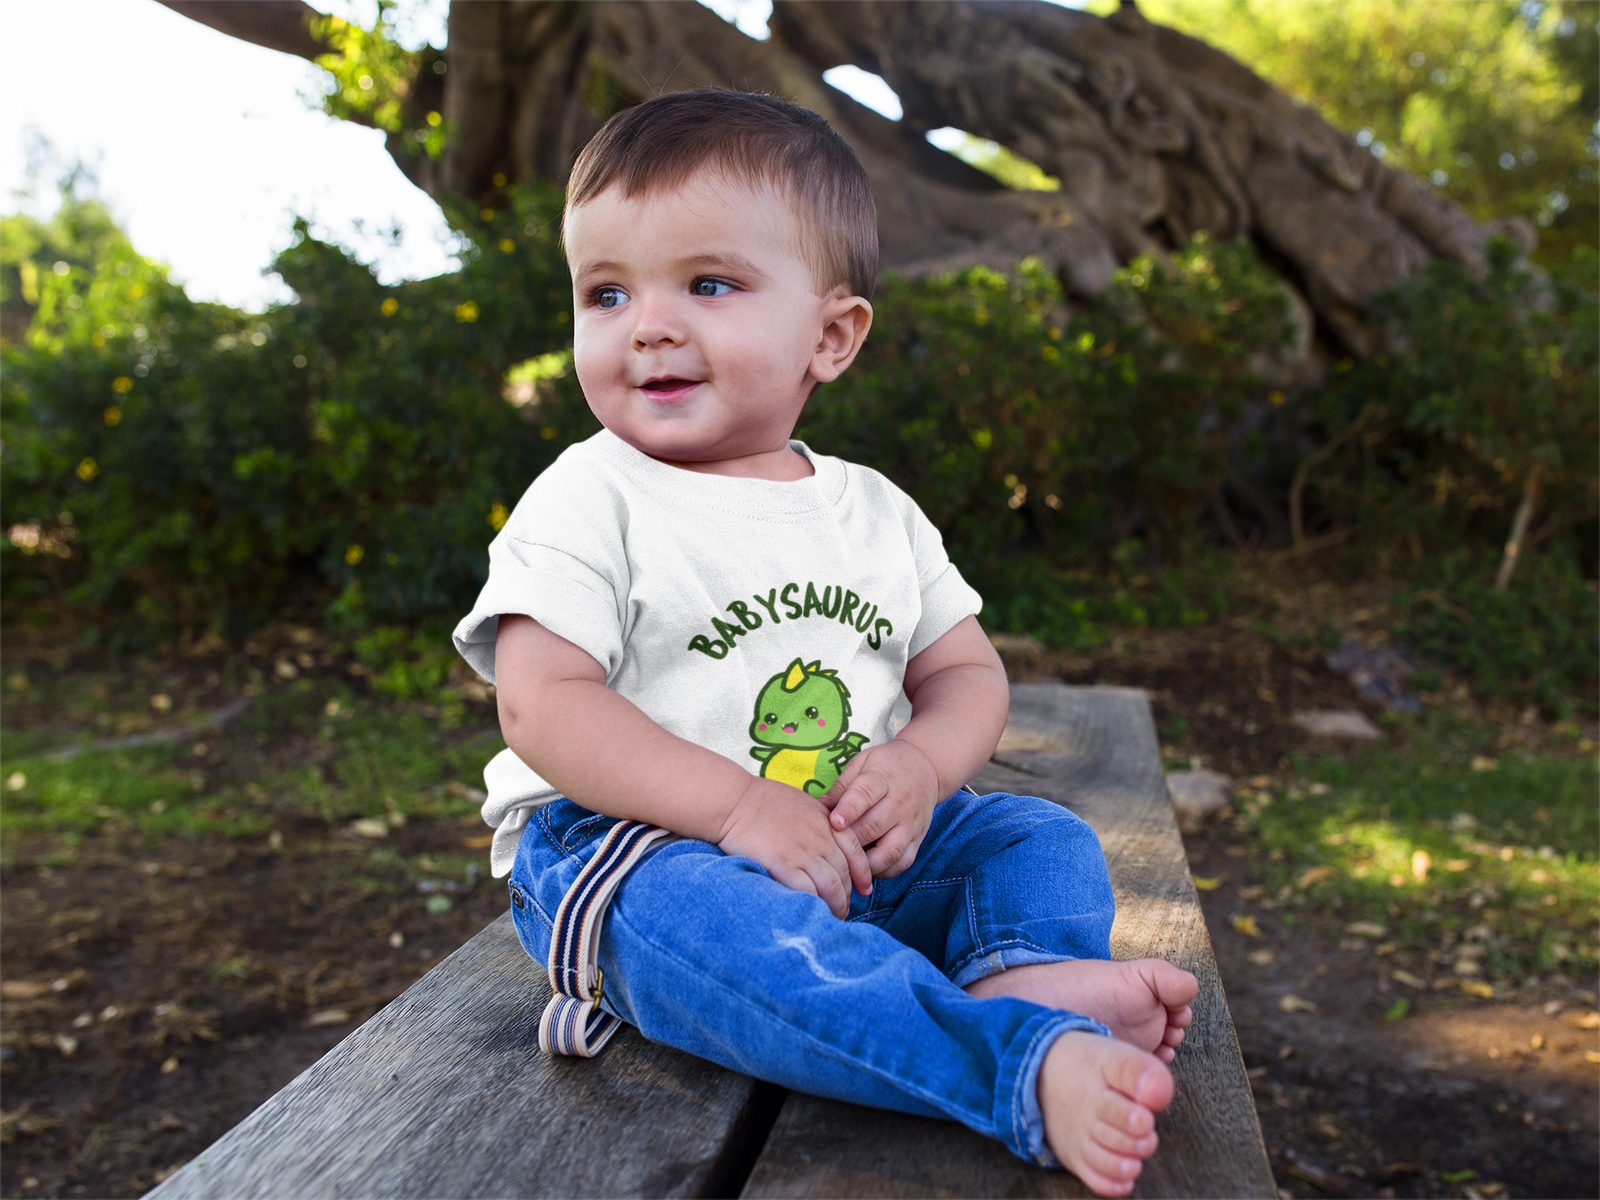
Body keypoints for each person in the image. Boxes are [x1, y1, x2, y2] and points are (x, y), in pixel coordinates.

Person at [452, 88, 1198, 1198]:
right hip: (638, 856)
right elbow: (542, 702)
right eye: (605, 292)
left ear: (832, 335)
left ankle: (1022, 978)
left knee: (1033, 837)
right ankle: (1007, 1065)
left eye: (708, 284)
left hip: (857, 857)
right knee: (722, 925)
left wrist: (919, 765)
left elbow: (964, 674)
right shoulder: (591, 491)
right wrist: (736, 807)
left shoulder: (873, 510)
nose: (647, 323)